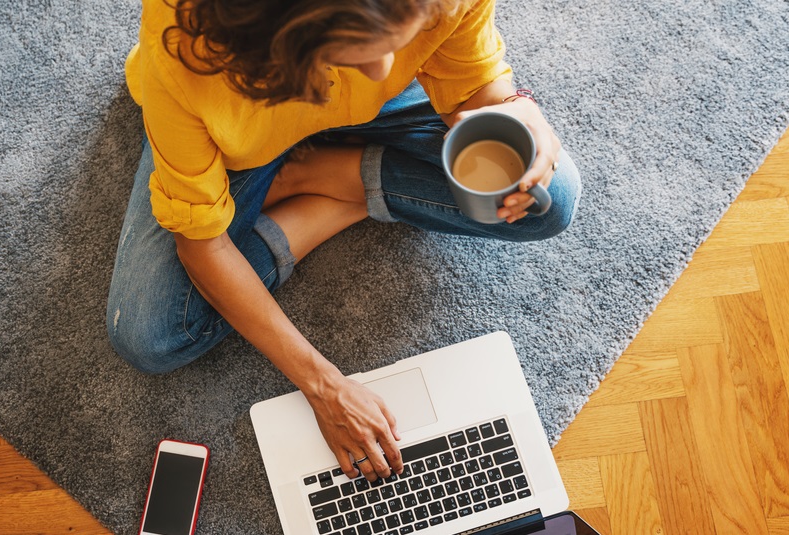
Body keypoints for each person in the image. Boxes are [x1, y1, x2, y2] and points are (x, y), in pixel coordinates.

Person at [108, 0, 581, 483]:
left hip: (372, 108)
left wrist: (515, 109)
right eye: (356, 49)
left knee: (547, 197)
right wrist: (324, 386)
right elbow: (201, 247)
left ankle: (327, 176)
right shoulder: (190, 52)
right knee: (151, 337)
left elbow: (479, 91)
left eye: (397, 37)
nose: (382, 67)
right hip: (236, 133)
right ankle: (341, 186)